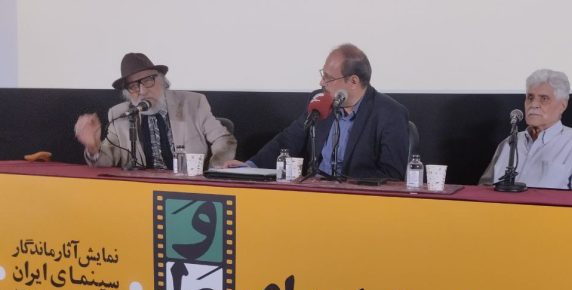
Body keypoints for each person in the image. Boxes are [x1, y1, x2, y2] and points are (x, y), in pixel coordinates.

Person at [227, 43, 409, 180]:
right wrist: (251, 166)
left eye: (328, 78)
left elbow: (392, 175)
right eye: (323, 75)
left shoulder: (390, 114)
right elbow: (288, 140)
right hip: (313, 197)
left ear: (353, 82)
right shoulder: (321, 101)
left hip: (359, 204)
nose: (321, 82)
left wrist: (344, 186)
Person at [75, 53, 237, 169]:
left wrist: (215, 170)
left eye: (148, 81)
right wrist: (93, 147)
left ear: (162, 81)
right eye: (133, 86)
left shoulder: (193, 103)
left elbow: (223, 139)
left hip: (188, 188)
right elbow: (105, 162)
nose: (142, 91)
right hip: (140, 191)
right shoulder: (119, 115)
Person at [479, 69, 572, 189]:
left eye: (544, 98)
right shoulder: (508, 143)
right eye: (530, 97)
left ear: (562, 105)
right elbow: (483, 191)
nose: (533, 104)